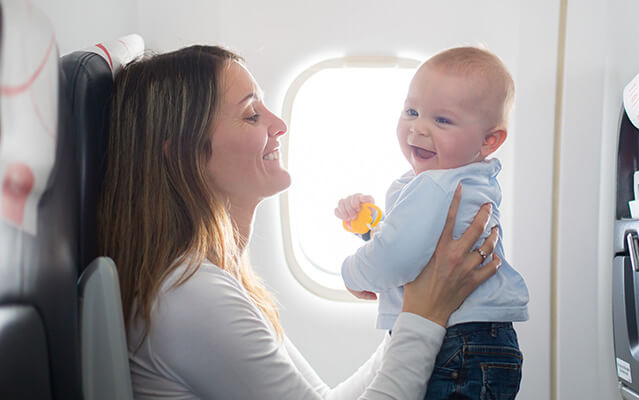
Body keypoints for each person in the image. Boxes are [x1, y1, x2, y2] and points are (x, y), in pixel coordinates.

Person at [97, 45, 502, 399]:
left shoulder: (218, 279)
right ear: (183, 153)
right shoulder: (189, 295)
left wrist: (419, 305)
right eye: (252, 115)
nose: (279, 125)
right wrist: (424, 315)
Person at [334, 46, 529, 399]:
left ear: (489, 140)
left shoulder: (435, 185)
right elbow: (419, 244)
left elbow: (397, 256)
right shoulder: (462, 178)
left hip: (458, 345)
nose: (418, 128)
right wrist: (370, 227)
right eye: (412, 111)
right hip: (481, 342)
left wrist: (351, 273)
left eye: (442, 120)